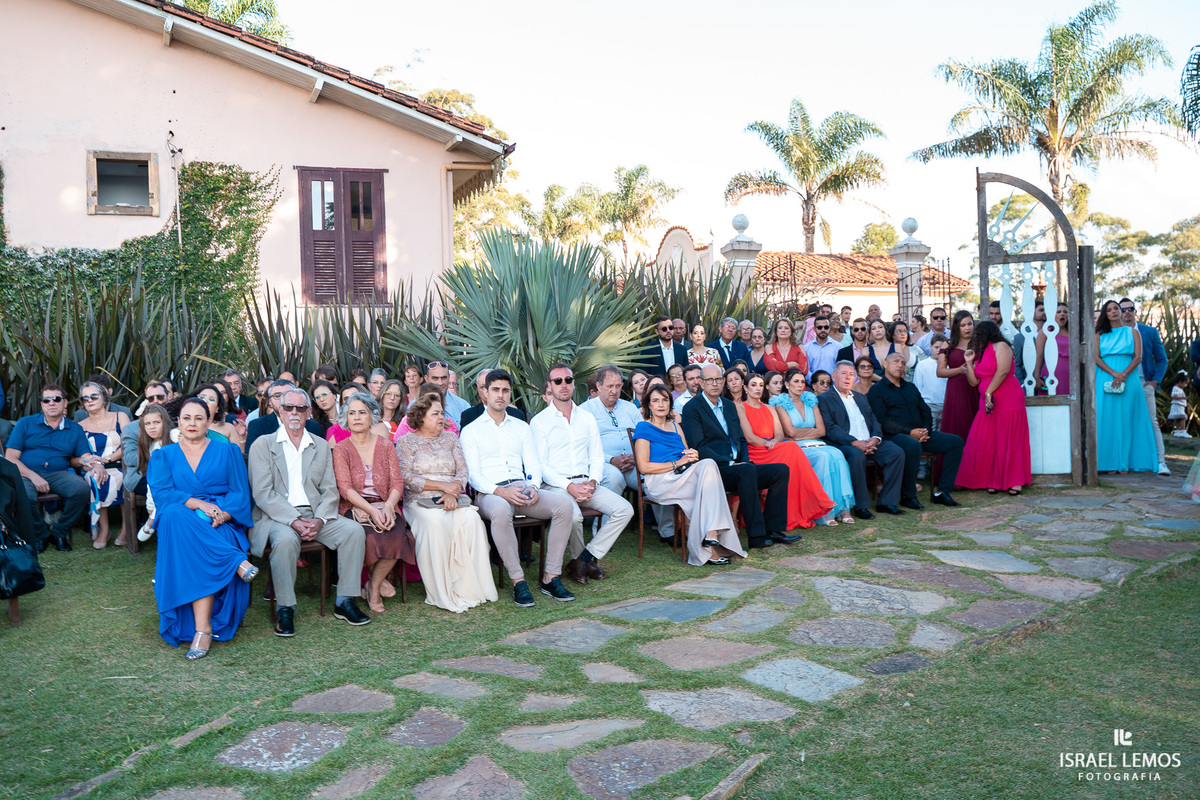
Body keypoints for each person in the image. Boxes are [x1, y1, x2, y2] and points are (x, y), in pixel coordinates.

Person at [247, 388, 371, 636]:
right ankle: (285, 607)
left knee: (353, 531)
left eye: (300, 408)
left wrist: (320, 520)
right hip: (277, 516)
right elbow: (263, 493)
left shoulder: (320, 445)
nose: (294, 412)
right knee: (284, 541)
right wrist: (293, 520)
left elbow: (330, 490)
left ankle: (345, 601)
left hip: (315, 513)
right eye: (288, 407)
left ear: (308, 412)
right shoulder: (263, 445)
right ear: (280, 411)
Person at [150, 397, 257, 660]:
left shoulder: (228, 451)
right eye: (186, 418)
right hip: (182, 522)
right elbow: (163, 494)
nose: (192, 423)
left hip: (221, 523)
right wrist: (201, 504)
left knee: (190, 540)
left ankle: (202, 629)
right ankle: (235, 562)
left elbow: (240, 494)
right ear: (178, 421)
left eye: (199, 418)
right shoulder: (164, 455)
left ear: (209, 421)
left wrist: (221, 515)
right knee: (174, 512)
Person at [460, 370, 576, 607]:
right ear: (485, 392)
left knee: (564, 505)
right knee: (501, 509)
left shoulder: (522, 427)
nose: (500, 395)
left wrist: (533, 486)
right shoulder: (471, 430)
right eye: (495, 389)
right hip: (490, 494)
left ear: (510, 393)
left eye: (505, 390)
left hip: (522, 489)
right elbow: (472, 475)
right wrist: (499, 491)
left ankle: (551, 577)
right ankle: (518, 580)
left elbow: (533, 464)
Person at [531, 364, 633, 584]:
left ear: (573, 383)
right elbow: (541, 466)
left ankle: (584, 559)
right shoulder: (539, 421)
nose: (563, 385)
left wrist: (593, 481)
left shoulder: (586, 418)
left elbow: (596, 456)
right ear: (549, 385)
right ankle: (581, 563)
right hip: (556, 486)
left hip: (586, 482)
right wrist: (569, 487)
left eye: (568, 380)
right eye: (557, 381)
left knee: (625, 510)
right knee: (574, 516)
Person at [395, 394, 496, 613]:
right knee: (436, 521)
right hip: (419, 501)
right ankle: (443, 590)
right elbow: (406, 477)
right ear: (421, 417)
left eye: (442, 413)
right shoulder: (406, 442)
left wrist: (453, 491)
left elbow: (463, 471)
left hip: (453, 497)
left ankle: (473, 587)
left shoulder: (451, 439)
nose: (441, 417)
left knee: (472, 519)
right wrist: (443, 487)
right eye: (435, 414)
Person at [680, 364, 795, 549]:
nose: (714, 383)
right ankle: (756, 536)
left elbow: (740, 438)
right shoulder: (692, 408)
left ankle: (773, 529)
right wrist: (731, 462)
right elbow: (699, 446)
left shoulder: (729, 405)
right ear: (701, 383)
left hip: (740, 466)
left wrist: (744, 460)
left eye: (718, 379)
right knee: (747, 471)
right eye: (709, 380)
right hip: (715, 468)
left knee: (780, 470)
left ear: (723, 381)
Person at [634, 385, 746, 565]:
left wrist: (692, 455)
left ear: (670, 404)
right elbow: (644, 467)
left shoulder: (676, 427)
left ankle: (709, 542)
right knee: (709, 472)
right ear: (649, 405)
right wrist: (677, 463)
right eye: (655, 400)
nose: (661, 404)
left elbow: (687, 457)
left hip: (682, 477)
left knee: (707, 469)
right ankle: (711, 536)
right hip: (659, 482)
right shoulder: (643, 427)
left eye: (665, 400)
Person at [332, 393, 414, 614]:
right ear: (346, 418)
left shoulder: (386, 446)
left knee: (397, 535)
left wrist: (387, 507)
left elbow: (397, 482)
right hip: (354, 507)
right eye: (352, 413)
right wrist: (369, 510)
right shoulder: (341, 449)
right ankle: (376, 588)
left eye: (362, 412)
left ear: (371, 416)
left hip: (385, 503)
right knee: (367, 536)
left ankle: (373, 586)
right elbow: (345, 488)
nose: (357, 417)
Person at [581, 366, 674, 544]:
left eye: (618, 386)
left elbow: (644, 435)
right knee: (614, 477)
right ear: (599, 386)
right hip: (603, 463)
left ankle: (668, 531)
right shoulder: (585, 411)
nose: (614, 391)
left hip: (634, 462)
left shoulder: (630, 408)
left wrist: (637, 457)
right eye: (609, 386)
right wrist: (611, 459)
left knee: (657, 476)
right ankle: (602, 536)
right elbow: (584, 446)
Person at [737, 374, 834, 529]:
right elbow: (750, 437)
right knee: (792, 448)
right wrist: (769, 443)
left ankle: (800, 508)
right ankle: (817, 500)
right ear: (745, 388)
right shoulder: (740, 408)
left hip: (772, 447)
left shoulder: (770, 408)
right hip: (756, 451)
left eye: (760, 385)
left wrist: (774, 442)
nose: (757, 389)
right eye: (753, 385)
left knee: (792, 450)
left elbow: (780, 434)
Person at [4, 384, 94, 552]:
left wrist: (94, 463)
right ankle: (40, 534)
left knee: (82, 489)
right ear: (42, 404)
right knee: (24, 496)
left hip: (58, 473)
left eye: (56, 399)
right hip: (26, 474)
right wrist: (33, 476)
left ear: (65, 403)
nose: (51, 403)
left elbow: (83, 456)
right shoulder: (25, 423)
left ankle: (59, 532)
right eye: (46, 400)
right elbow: (10, 458)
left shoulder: (75, 429)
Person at [867, 353, 964, 508]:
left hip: (920, 435)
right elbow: (882, 420)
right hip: (893, 436)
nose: (900, 365)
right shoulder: (877, 390)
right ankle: (908, 495)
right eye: (896, 361)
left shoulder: (910, 387)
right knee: (912, 445)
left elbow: (925, 411)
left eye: (903, 363)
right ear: (885, 364)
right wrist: (909, 432)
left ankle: (943, 492)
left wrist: (925, 431)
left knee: (955, 442)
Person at [817, 361, 907, 518]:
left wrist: (875, 439)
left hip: (869, 442)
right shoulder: (824, 398)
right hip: (845, 444)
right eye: (844, 374)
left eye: (851, 374)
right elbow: (830, 428)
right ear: (834, 376)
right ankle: (861, 506)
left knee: (896, 452)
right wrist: (854, 442)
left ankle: (887, 502)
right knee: (857, 455)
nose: (848, 377)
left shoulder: (860, 397)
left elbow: (874, 420)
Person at [956, 321, 1032, 492]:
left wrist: (989, 392)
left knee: (1009, 438)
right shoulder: (979, 352)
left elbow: (1003, 371)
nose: (975, 337)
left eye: (978, 334)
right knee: (989, 440)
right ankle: (993, 480)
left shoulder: (1001, 346)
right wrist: (969, 363)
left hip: (1007, 398)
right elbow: (974, 382)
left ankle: (1015, 481)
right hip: (986, 401)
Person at [772, 369, 856, 525]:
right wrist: (809, 431)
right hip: (795, 447)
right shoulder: (780, 403)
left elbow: (822, 430)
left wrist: (800, 433)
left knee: (837, 454)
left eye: (802, 382)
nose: (800, 385)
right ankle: (825, 510)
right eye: (796, 381)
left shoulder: (811, 400)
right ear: (787, 384)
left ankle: (843, 508)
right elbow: (789, 432)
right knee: (823, 457)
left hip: (817, 443)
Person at [1092, 301, 1158, 474]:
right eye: (1109, 310)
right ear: (1105, 314)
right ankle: (1108, 462)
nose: (1113, 312)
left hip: (1129, 378)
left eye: (1116, 308)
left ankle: (1124, 462)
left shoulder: (1133, 332)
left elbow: (1138, 357)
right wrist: (1114, 373)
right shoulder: (1099, 334)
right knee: (1107, 419)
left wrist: (1124, 374)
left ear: (1121, 311)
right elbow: (1095, 357)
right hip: (1106, 376)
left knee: (1127, 419)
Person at [1120, 298, 1171, 475]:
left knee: (1152, 421)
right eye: (1123, 309)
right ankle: (1126, 461)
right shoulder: (1115, 333)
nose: (1127, 312)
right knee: (1123, 421)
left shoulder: (1149, 332)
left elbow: (1162, 359)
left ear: (1135, 311)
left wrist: (1155, 381)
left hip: (1144, 382)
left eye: (1130, 308)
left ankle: (1161, 461)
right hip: (1122, 382)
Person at [77, 381, 130, 548]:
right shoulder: (80, 427)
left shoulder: (120, 416)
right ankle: (104, 529)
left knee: (123, 477)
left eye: (94, 396)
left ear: (104, 397)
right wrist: (94, 464)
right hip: (94, 468)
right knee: (95, 478)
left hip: (122, 464)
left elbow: (129, 444)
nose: (89, 400)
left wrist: (107, 459)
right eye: (85, 398)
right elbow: (80, 454)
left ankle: (126, 527)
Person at [126, 403, 173, 542]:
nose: (152, 427)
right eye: (147, 424)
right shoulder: (151, 447)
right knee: (160, 488)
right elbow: (153, 481)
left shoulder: (174, 436)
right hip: (162, 487)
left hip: (181, 483)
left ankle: (152, 520)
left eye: (156, 422)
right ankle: (154, 517)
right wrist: (150, 505)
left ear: (165, 423)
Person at [244, 379, 323, 455]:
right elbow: (252, 459)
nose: (283, 399)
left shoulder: (313, 426)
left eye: (288, 394)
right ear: (270, 402)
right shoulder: (257, 426)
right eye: (277, 396)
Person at [938, 310, 978, 440]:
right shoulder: (948, 344)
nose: (967, 328)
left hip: (978, 388)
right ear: (956, 327)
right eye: (963, 325)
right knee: (960, 425)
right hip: (957, 390)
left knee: (977, 426)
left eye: (970, 324)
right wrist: (959, 370)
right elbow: (940, 372)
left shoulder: (979, 343)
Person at [460, 368, 526, 429]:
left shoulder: (517, 415)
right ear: (478, 390)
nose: (486, 390)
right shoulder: (469, 415)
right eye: (483, 387)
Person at [393, 383, 461, 439]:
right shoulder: (407, 422)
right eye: (428, 400)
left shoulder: (451, 426)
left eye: (437, 399)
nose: (433, 402)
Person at [1034, 302, 1071, 397]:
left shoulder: (1073, 332)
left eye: (1065, 312)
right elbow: (1039, 355)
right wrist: (1037, 377)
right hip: (1052, 373)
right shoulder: (1046, 332)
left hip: (1071, 373)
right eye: (1058, 312)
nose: (1062, 314)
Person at [914, 335, 950, 432]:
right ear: (930, 347)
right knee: (930, 431)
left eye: (941, 348)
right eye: (936, 347)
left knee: (944, 431)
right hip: (929, 405)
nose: (939, 350)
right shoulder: (922, 365)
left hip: (945, 404)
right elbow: (917, 386)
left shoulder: (949, 365)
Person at [194, 384, 245, 449]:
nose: (205, 401)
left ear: (217, 408)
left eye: (211, 399)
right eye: (202, 397)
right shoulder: (186, 426)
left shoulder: (228, 428)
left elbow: (238, 454)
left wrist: (242, 437)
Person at [423, 361, 471, 426]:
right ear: (427, 379)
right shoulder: (415, 406)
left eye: (443, 378)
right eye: (435, 378)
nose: (440, 383)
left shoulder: (463, 406)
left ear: (449, 377)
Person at [803, 316, 840, 381]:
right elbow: (806, 369)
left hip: (833, 384)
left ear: (829, 328)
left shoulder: (838, 347)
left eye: (826, 327)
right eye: (820, 327)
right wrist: (815, 382)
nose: (823, 330)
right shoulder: (806, 348)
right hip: (813, 384)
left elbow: (840, 368)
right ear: (814, 329)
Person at [1169, 372, 1192, 438]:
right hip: (1177, 405)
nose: (1186, 385)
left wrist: (1186, 403)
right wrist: (1183, 398)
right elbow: (1173, 396)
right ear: (1180, 382)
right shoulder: (1175, 388)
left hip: (1180, 406)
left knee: (1179, 418)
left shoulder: (1180, 389)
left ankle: (1177, 431)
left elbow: (1181, 399)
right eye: (1185, 383)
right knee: (1182, 418)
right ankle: (1183, 431)